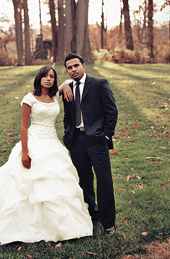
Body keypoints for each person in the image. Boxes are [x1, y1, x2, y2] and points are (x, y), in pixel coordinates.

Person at [0, 66, 93, 245]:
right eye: (45, 76)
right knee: (27, 183)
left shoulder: (54, 96)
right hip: (34, 141)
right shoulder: (29, 99)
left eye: (52, 76)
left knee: (56, 182)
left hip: (52, 143)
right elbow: (23, 127)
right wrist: (25, 152)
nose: (48, 79)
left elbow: (66, 83)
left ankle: (58, 225)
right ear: (38, 78)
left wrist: (67, 84)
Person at [63, 53, 118, 234]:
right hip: (76, 142)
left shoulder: (99, 84)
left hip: (97, 140)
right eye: (69, 68)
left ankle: (108, 222)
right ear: (67, 71)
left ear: (84, 65)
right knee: (84, 181)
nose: (73, 70)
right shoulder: (68, 89)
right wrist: (68, 134)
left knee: (104, 180)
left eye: (76, 66)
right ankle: (92, 216)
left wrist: (106, 136)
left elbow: (111, 112)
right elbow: (67, 116)